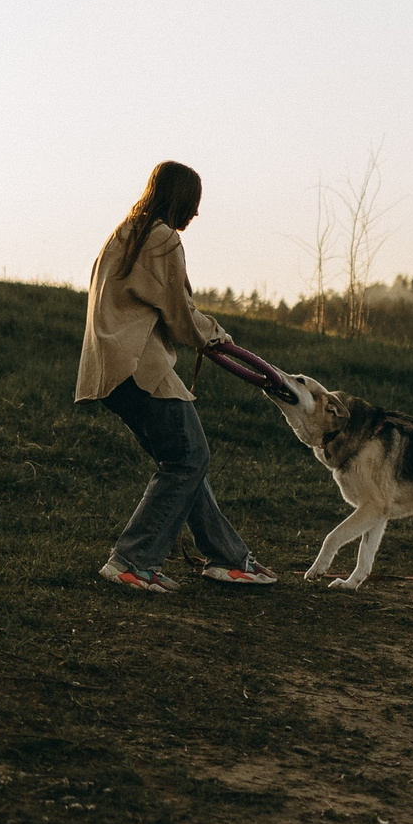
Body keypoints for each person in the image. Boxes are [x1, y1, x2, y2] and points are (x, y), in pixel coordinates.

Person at [78, 160, 277, 593]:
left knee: (184, 462)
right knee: (188, 459)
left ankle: (228, 558)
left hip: (109, 371)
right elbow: (180, 314)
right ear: (179, 199)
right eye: (194, 203)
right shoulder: (162, 239)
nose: (196, 214)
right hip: (139, 369)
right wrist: (215, 335)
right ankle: (132, 559)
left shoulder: (124, 233)